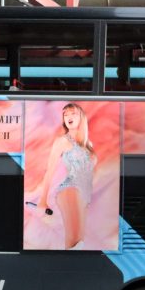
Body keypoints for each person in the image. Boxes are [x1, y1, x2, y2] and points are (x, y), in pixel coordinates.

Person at [26, 103, 97, 250]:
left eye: (73, 114)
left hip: (84, 195)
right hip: (70, 190)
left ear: (81, 117)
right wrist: (42, 201)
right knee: (74, 242)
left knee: (79, 243)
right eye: (65, 115)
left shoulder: (88, 145)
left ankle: (71, 271)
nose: (69, 117)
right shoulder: (62, 141)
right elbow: (49, 170)